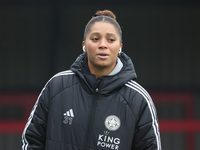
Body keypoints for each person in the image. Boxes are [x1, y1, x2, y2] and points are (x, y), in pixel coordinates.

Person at [22, 10, 162, 150]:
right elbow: (32, 140)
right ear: (84, 45)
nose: (102, 45)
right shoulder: (57, 86)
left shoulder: (138, 99)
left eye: (111, 40)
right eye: (95, 39)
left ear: (120, 47)